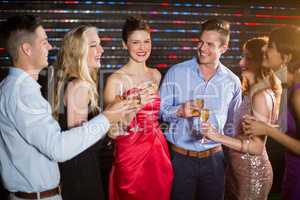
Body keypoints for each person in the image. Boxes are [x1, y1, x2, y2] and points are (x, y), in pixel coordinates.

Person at [0, 15, 137, 200]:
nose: (50, 47)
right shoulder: (21, 93)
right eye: (45, 42)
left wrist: (110, 125)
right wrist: (109, 117)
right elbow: (63, 149)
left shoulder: (19, 89)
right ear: (27, 49)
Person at [159, 19, 242, 200]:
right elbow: (161, 111)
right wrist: (179, 111)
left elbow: (232, 125)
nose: (202, 48)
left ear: (224, 48)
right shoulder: (175, 72)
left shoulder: (233, 82)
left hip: (215, 161)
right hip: (180, 160)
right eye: (201, 42)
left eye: (210, 44)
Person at [104, 16, 173, 200]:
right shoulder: (115, 80)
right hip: (130, 152)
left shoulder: (156, 75)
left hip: (157, 150)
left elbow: (161, 114)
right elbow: (112, 131)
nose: (142, 48)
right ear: (124, 44)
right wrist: (136, 104)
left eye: (146, 41)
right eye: (136, 42)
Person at [202, 37, 280, 200]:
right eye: (243, 56)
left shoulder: (260, 96)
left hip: (252, 173)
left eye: (248, 58)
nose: (241, 62)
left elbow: (257, 147)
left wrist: (217, 137)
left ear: (261, 62)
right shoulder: (252, 92)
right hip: (238, 169)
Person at [52, 25, 111, 200]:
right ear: (78, 51)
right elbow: (80, 143)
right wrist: (111, 125)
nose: (101, 49)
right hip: (81, 175)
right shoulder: (80, 85)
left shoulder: (70, 82)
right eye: (93, 45)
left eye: (99, 44)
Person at [243, 25, 300, 200]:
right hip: (291, 169)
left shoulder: (298, 93)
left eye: (271, 46)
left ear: (286, 57)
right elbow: (285, 127)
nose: (263, 49)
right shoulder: (287, 81)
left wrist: (267, 130)